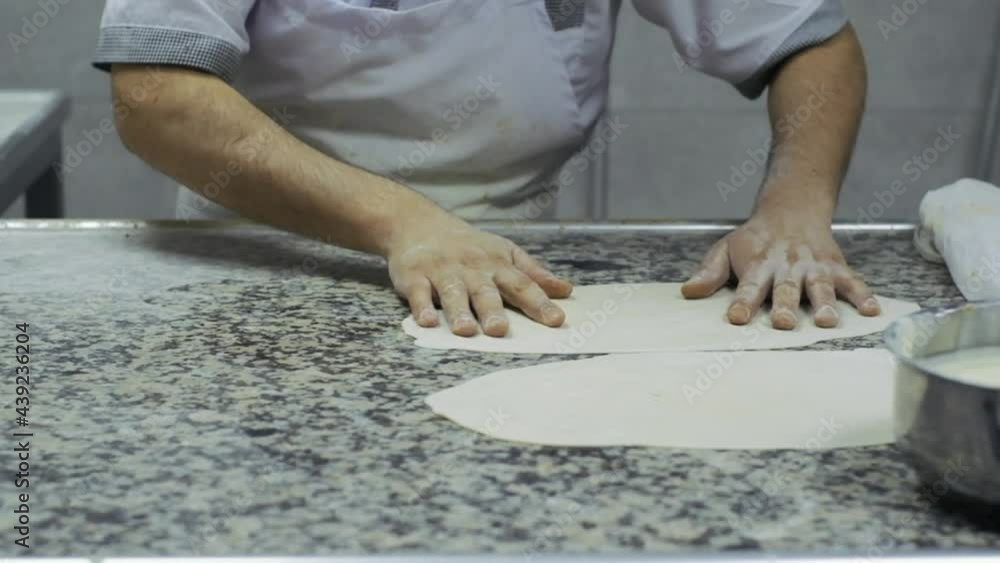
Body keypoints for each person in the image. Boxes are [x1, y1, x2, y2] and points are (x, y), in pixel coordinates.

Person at [94, 0, 880, 337]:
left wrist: (796, 208)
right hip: (263, 253)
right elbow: (156, 93)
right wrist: (403, 222)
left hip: (508, 261)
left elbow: (814, 44)